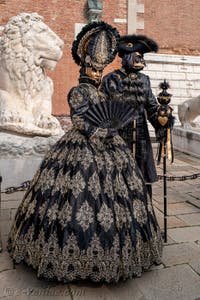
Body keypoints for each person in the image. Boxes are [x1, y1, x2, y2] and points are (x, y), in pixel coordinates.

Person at [7, 23, 162, 283]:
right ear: (84, 66)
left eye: (101, 69)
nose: (98, 74)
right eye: (94, 68)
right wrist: (101, 132)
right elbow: (80, 120)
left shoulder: (105, 90)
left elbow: (112, 114)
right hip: (81, 148)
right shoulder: (78, 91)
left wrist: (114, 125)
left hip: (111, 148)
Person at [100, 34, 162, 198]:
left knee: (141, 184)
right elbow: (101, 111)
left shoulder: (144, 80)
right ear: (128, 55)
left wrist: (162, 120)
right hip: (117, 140)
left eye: (142, 57)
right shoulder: (110, 79)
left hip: (141, 141)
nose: (141, 59)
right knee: (116, 184)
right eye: (138, 56)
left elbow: (152, 107)